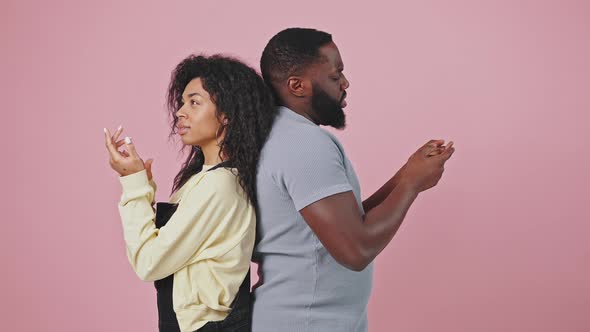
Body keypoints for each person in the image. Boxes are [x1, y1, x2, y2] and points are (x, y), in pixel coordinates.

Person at [251, 28, 456, 331]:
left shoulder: (283, 134)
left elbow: (346, 222)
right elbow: (355, 250)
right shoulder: (303, 144)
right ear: (297, 85)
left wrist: (409, 171)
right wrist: (412, 184)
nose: (345, 84)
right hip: (305, 323)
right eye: (335, 77)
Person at [104, 54, 276, 332]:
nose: (180, 112)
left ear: (226, 115)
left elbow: (150, 262)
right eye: (182, 102)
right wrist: (142, 186)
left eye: (194, 102)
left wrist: (134, 184)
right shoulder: (209, 178)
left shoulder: (219, 185)